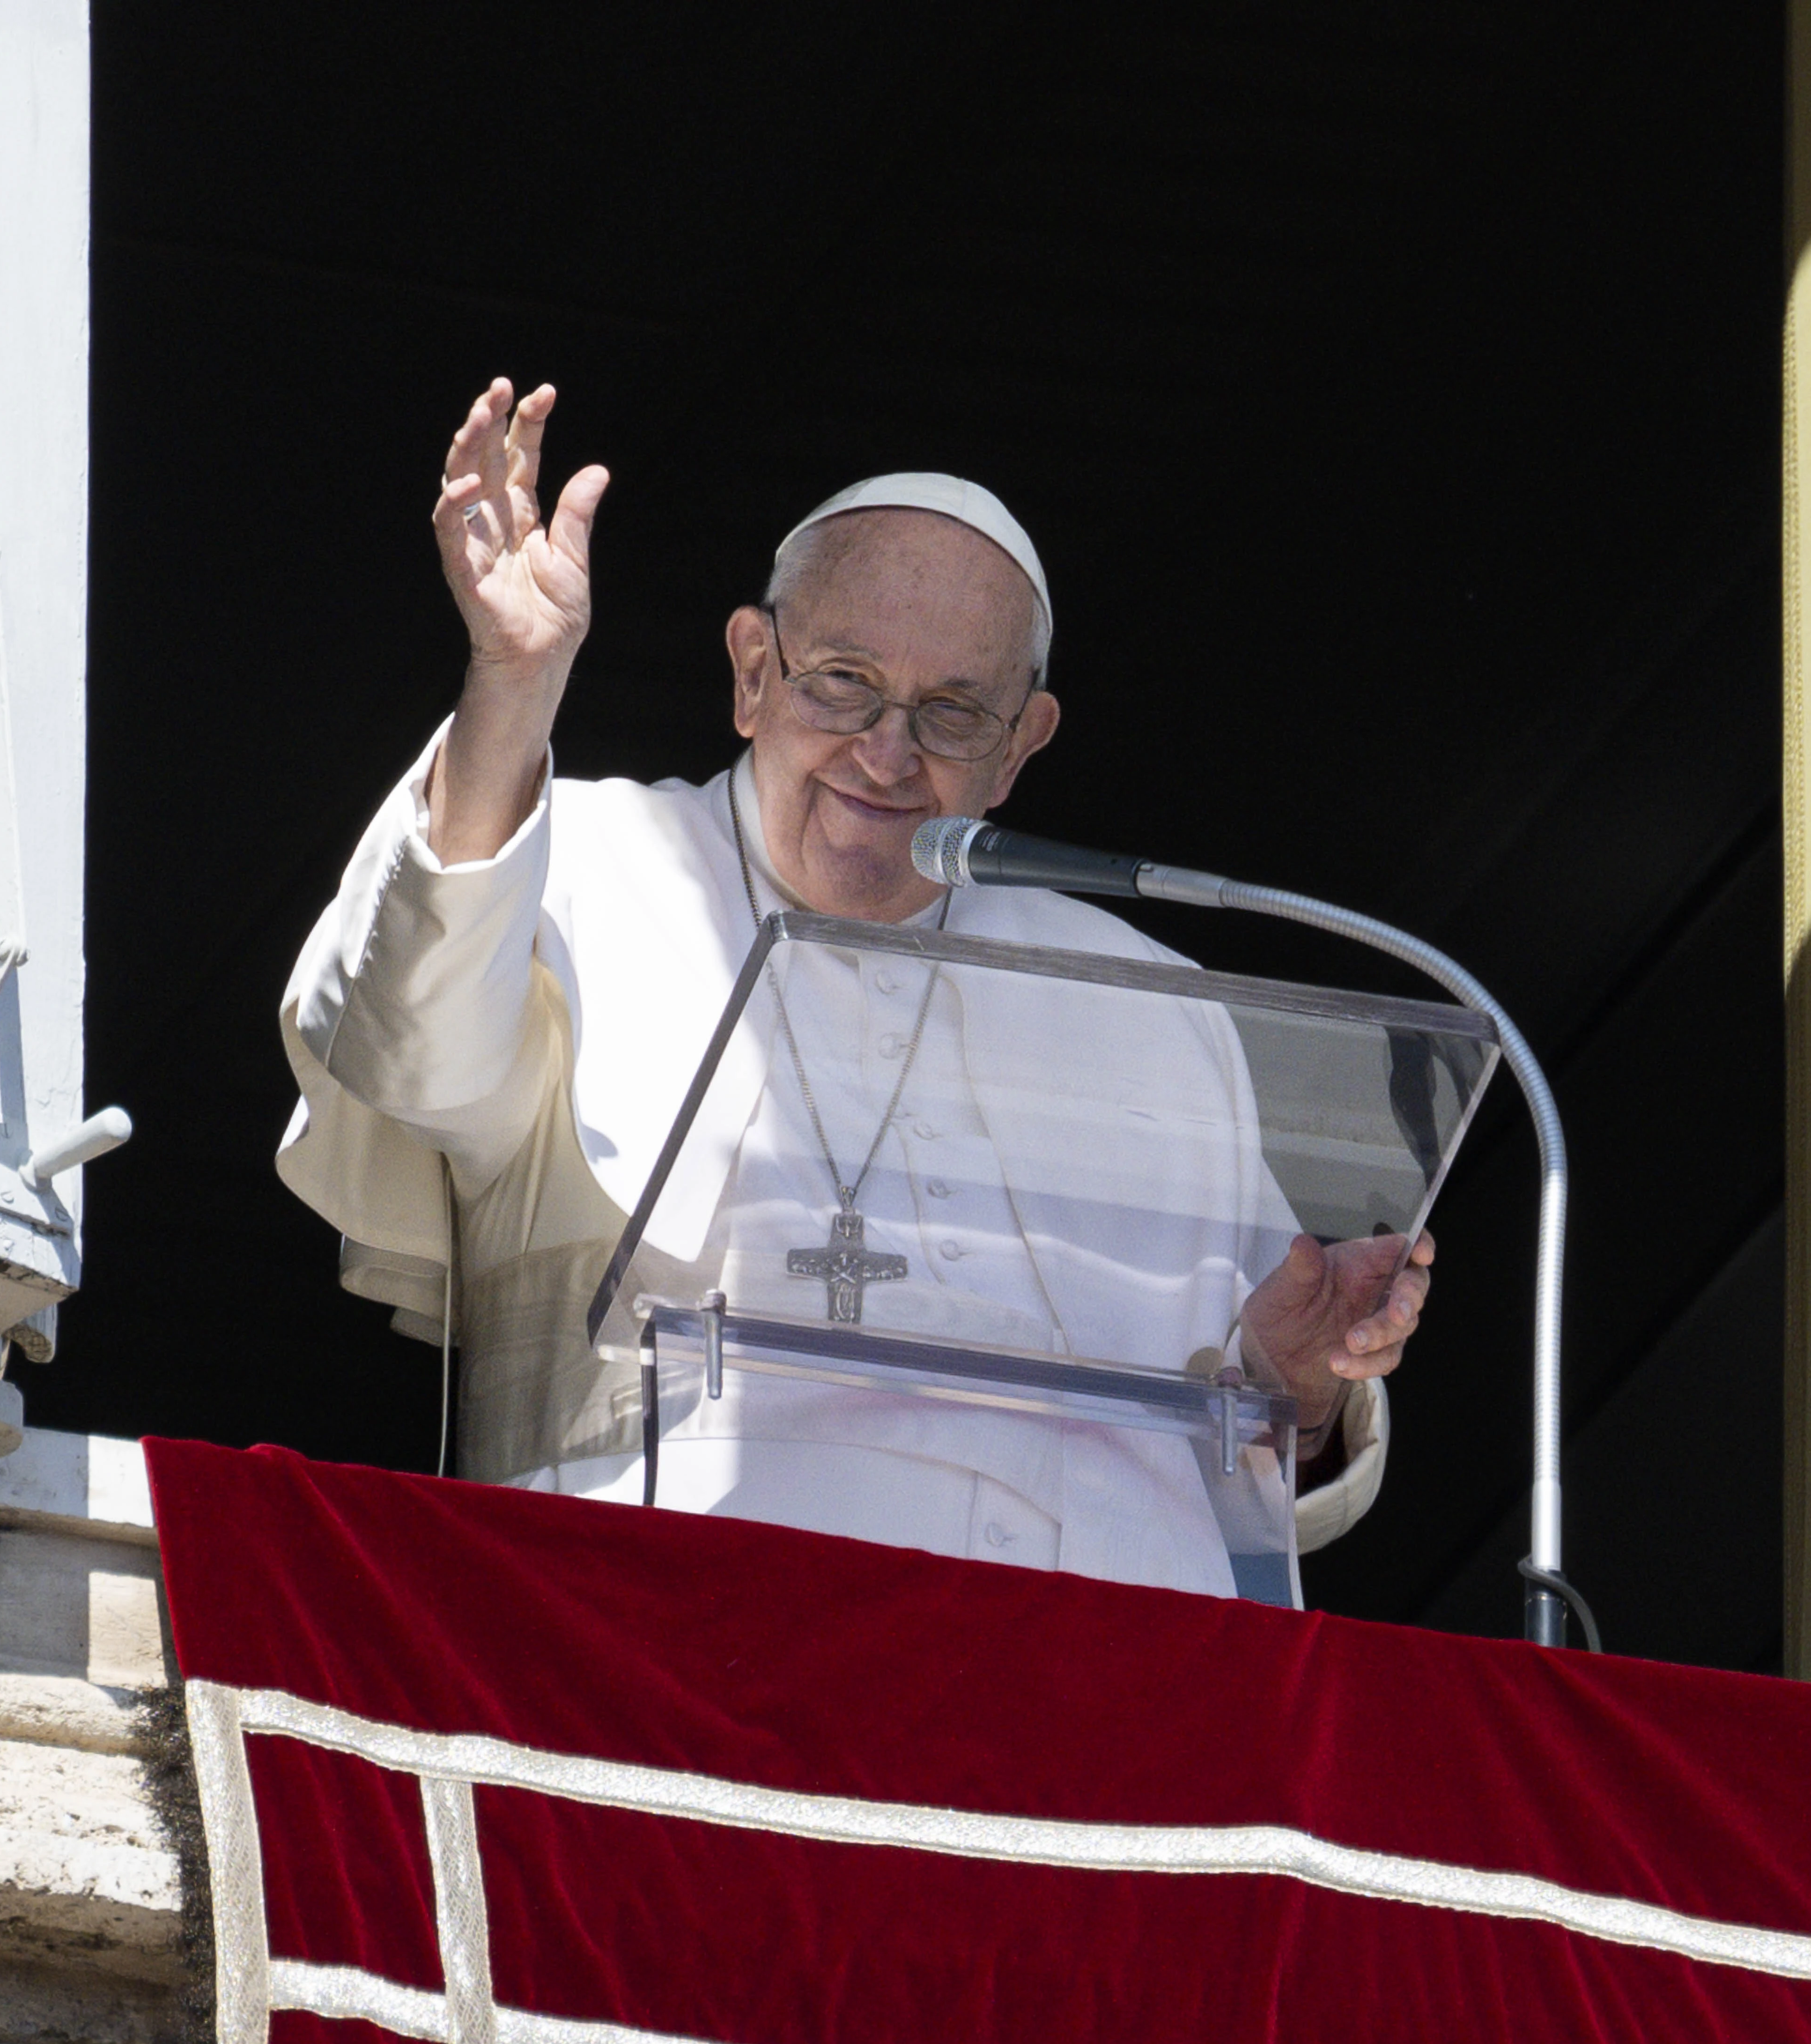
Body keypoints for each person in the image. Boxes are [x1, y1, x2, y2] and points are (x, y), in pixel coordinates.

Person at [276, 379, 1437, 1593]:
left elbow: (1247, 1423)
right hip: (679, 1649)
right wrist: (511, 685)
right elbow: (406, 1054)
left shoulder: (1147, 1000)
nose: (886, 755)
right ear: (750, 672)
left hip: (1116, 1705)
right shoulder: (576, 862)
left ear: (1020, 745)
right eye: (840, 681)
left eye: (951, 712)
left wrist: (1298, 1374)